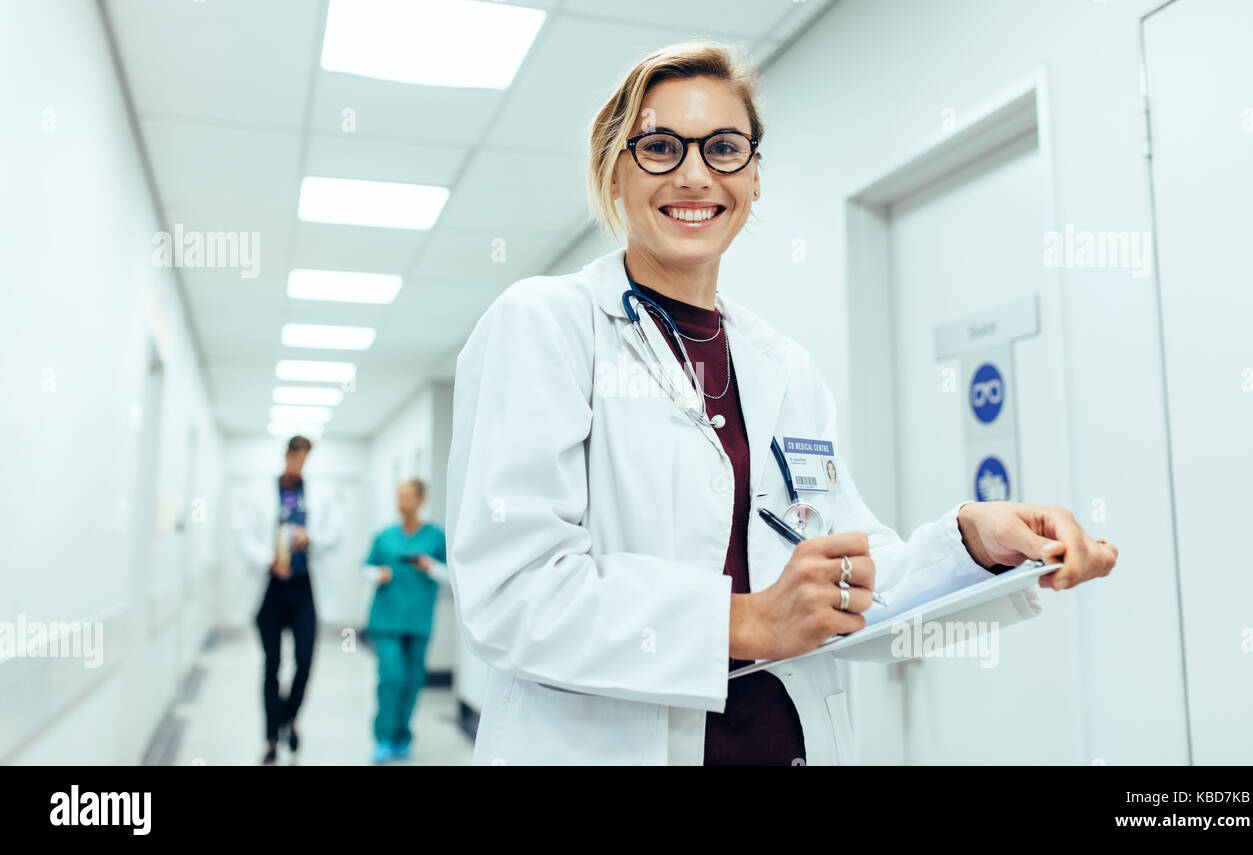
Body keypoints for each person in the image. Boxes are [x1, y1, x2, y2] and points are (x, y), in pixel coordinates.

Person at [444, 41, 1118, 765]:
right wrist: (743, 622)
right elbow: (511, 592)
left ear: (755, 176)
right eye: (661, 146)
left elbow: (845, 582)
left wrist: (974, 542)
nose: (696, 173)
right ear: (615, 171)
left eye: (725, 148)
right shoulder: (546, 324)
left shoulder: (783, 367)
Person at [251, 435, 339, 765]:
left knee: (304, 660)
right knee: (272, 665)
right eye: (296, 458)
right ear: (287, 455)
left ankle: (290, 717)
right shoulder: (261, 491)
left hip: (304, 588)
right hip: (271, 588)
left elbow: (335, 534)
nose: (299, 465)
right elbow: (242, 535)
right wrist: (266, 558)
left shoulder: (318, 493)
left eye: (305, 460)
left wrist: (311, 538)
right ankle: (272, 736)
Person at [362, 479, 446, 764]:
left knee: (412, 679)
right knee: (392, 676)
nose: (402, 503)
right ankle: (383, 737)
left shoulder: (436, 537)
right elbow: (366, 567)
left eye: (408, 497)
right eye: (399, 497)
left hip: (419, 620)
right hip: (385, 620)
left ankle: (401, 736)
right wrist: (378, 574)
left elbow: (452, 575)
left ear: (421, 500)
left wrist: (430, 566)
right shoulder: (384, 536)